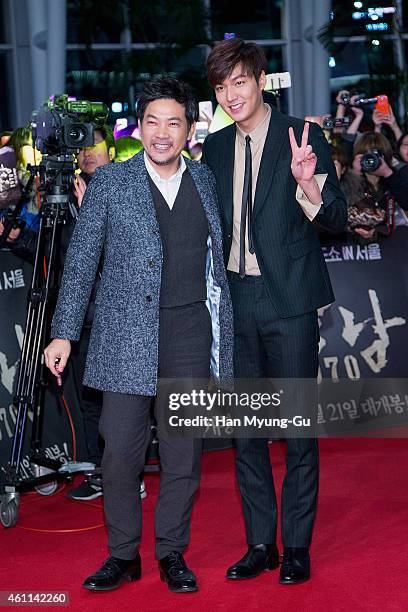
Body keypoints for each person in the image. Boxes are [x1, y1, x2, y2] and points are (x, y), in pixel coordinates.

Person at [44, 76, 233, 593]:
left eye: (174, 122)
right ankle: (123, 554)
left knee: (181, 454)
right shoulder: (112, 183)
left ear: (190, 129)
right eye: (152, 121)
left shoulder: (206, 181)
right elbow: (81, 263)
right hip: (124, 335)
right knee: (120, 455)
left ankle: (172, 551)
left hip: (190, 333)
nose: (162, 132)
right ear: (141, 126)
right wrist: (62, 334)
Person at [202, 39, 346, 585]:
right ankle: (260, 541)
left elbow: (333, 218)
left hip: (288, 300)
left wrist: (308, 182)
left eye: (239, 81)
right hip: (235, 301)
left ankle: (297, 546)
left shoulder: (302, 136)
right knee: (246, 433)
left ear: (261, 79)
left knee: (298, 431)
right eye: (220, 86)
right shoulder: (213, 149)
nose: (231, 95)